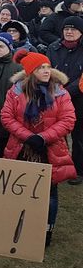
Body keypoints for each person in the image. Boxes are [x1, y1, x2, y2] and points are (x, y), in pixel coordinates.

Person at [1, 51, 77, 245]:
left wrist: (43, 137)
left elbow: (68, 120)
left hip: (50, 150)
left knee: (49, 193)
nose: (46, 71)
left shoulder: (61, 92)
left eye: (47, 67)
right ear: (30, 71)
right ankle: (14, 226)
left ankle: (46, 231)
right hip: (21, 148)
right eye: (40, 68)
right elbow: (7, 117)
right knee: (17, 188)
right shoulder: (15, 92)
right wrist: (27, 136)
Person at [46, 16, 83, 185]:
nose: (69, 32)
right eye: (66, 29)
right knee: (53, 132)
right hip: (53, 96)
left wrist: (67, 91)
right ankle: (51, 166)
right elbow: (47, 69)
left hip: (79, 98)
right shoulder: (53, 48)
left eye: (73, 29)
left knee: (79, 136)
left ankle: (79, 169)